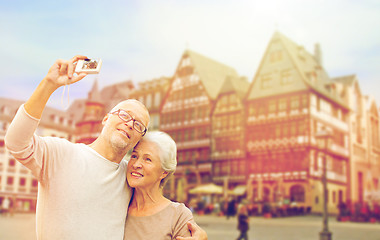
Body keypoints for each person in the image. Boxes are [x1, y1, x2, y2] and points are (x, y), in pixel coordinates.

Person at [5, 55, 207, 240]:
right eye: (124, 115)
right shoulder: (62, 153)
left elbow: (158, 205)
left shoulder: (130, 176)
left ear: (139, 138)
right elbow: (16, 142)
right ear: (105, 118)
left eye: (138, 125)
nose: (129, 123)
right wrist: (48, 85)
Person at [124, 131, 197, 239]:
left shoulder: (178, 216)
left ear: (163, 172)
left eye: (147, 159)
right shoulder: (119, 207)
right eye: (134, 156)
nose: (136, 164)